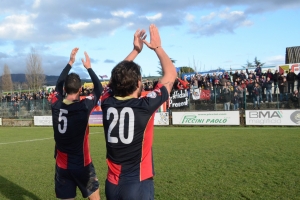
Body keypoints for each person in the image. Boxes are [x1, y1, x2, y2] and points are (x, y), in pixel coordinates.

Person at [101, 24, 177, 200]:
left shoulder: (106, 102)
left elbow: (115, 78)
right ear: (138, 85)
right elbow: (171, 75)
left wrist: (135, 51)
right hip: (137, 183)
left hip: (112, 185)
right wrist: (157, 47)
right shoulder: (144, 106)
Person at [51, 48, 102, 200]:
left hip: (62, 167)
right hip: (82, 165)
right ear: (80, 89)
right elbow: (99, 89)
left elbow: (58, 85)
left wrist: (70, 63)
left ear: (65, 89)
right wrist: (89, 68)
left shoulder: (55, 104)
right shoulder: (84, 106)